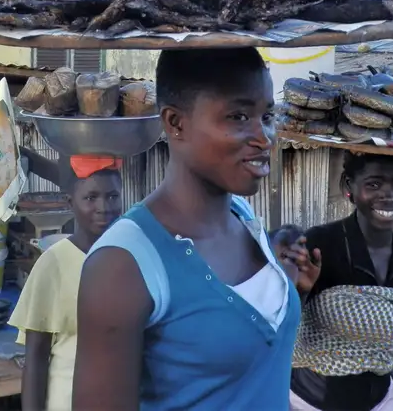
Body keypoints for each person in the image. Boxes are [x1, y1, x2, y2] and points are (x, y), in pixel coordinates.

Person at [73, 48, 319, 411]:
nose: (264, 136)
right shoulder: (122, 266)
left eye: (267, 115)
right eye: (238, 116)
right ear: (175, 123)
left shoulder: (244, 218)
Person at [289, 153, 393, 411]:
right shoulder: (320, 245)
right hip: (309, 403)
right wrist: (300, 290)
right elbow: (283, 327)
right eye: (374, 184)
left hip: (380, 403)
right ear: (349, 186)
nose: (388, 195)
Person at [9, 156, 124, 411]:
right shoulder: (54, 264)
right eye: (91, 198)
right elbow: (36, 358)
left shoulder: (133, 259)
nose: (104, 207)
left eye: (113, 196)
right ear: (71, 202)